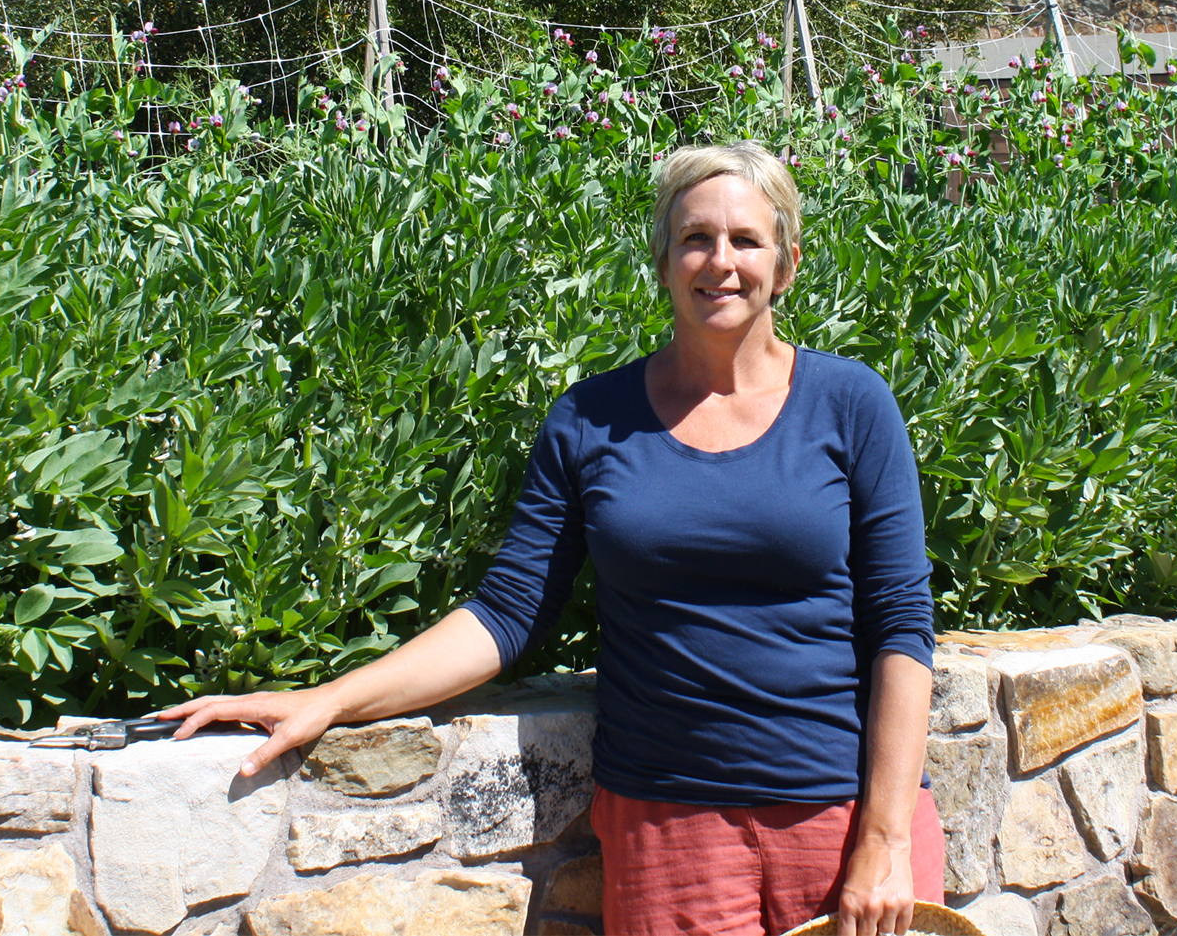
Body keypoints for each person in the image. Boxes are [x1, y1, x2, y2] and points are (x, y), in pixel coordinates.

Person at [162, 141, 943, 936]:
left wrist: (881, 840)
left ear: (786, 264)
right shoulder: (591, 420)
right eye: (695, 239)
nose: (720, 261)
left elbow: (902, 628)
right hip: (668, 831)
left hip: (844, 820)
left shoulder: (853, 404)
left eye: (746, 240)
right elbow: (508, 614)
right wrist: (328, 699)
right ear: (664, 260)